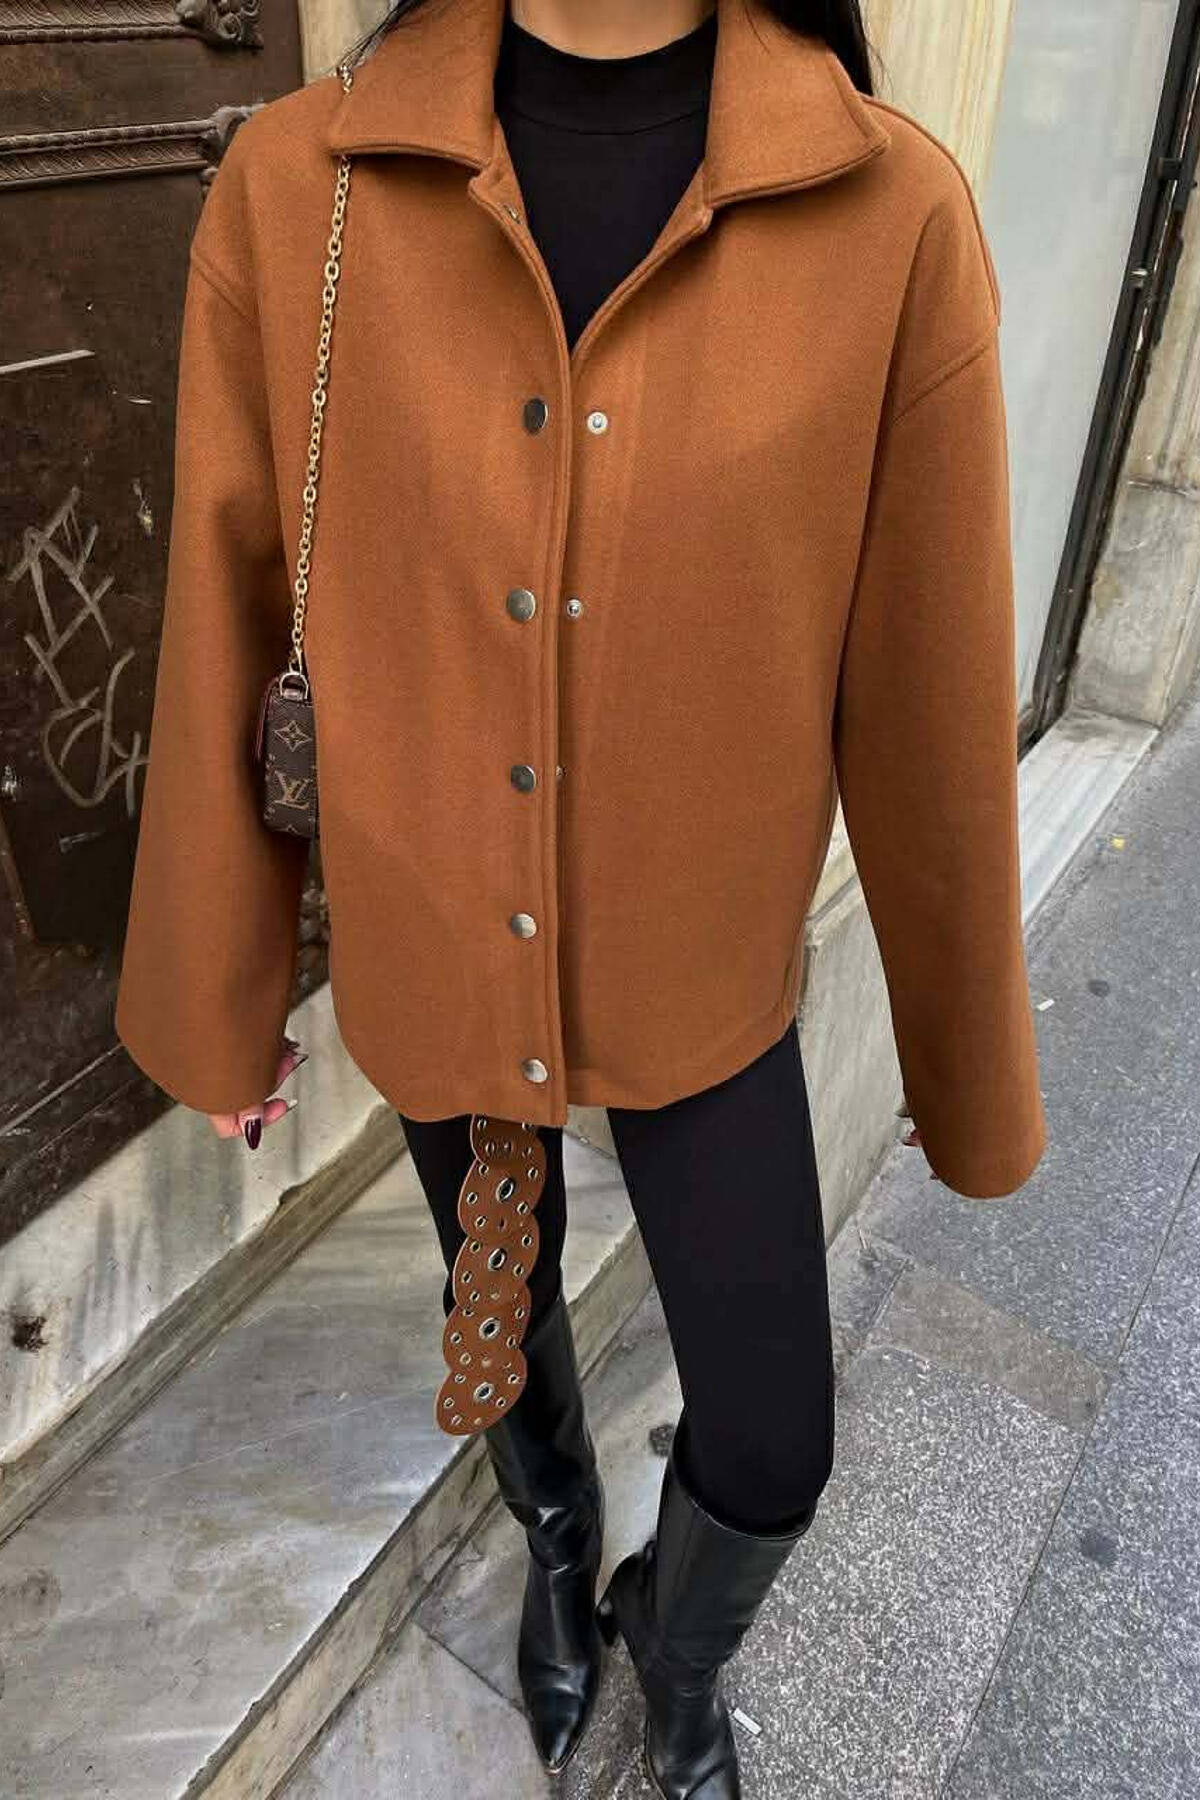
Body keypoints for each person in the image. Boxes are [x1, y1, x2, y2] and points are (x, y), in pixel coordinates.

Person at [113, 0, 1048, 1793]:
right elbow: (228, 605)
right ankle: (554, 1534)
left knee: (773, 1437)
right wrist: (221, 995)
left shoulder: (887, 213)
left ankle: (665, 1649)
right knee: (501, 1293)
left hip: (700, 965)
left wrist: (965, 1065)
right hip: (432, 924)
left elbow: (929, 694)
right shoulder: (302, 186)